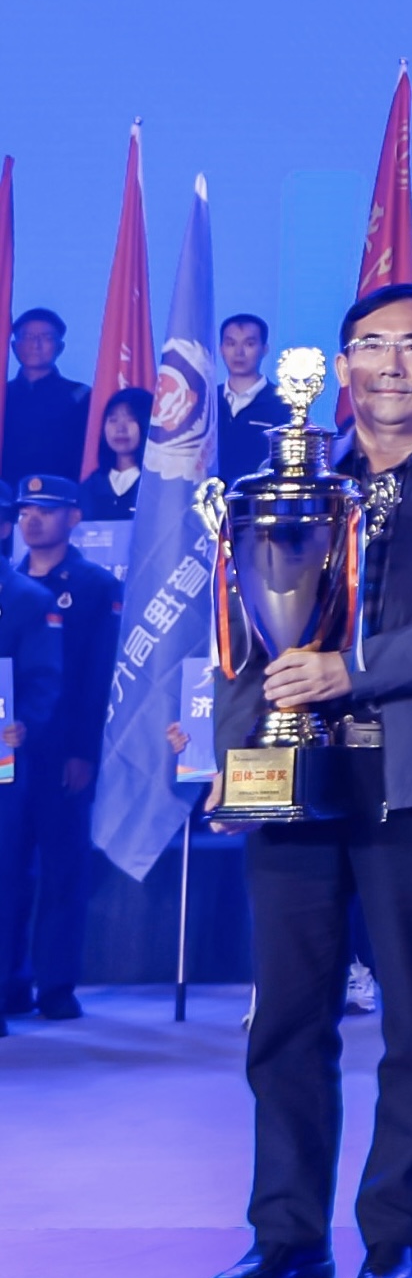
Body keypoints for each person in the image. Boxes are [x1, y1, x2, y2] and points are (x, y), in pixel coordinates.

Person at [200, 283, 412, 1278]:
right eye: (372, 346)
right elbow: (242, 636)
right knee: (285, 1021)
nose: (391, 365)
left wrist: (354, 668)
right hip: (297, 782)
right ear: (342, 366)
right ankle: (286, 1235)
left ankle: (395, 1238)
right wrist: (236, 759)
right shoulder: (289, 481)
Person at [0, 475, 106, 1021]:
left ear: (73, 517)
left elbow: (94, 677)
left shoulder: (94, 585)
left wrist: (83, 750)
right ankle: (12, 983)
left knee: (63, 870)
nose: (32, 519)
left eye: (45, 509)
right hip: (10, 756)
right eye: (25, 511)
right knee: (9, 872)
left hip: (62, 748)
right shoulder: (13, 580)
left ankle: (57, 985)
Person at [0, 547, 60, 1039]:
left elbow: (44, 681)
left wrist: (25, 725)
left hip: (4, 760)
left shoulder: (26, 597)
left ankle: (5, 990)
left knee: (6, 879)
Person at [2, 309, 89, 486]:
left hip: (63, 495)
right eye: (28, 337)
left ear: (60, 347)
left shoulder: (80, 396)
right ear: (14, 346)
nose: (36, 345)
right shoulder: (4, 395)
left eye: (46, 337)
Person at [216, 313, 294, 483]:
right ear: (221, 349)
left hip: (259, 497)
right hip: (206, 496)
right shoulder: (207, 402)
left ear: (264, 349)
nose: (239, 352)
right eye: (231, 344)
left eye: (249, 344)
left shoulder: (285, 404)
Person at [72, 390, 148, 524]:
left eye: (131, 419)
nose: (120, 429)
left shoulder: (159, 484)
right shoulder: (90, 487)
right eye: (113, 420)